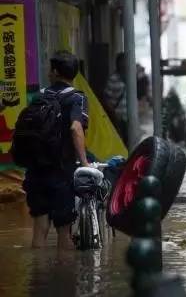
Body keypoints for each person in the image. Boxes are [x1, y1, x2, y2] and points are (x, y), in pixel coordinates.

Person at [22, 51, 90, 249]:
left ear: (54, 71)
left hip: (35, 170)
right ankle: (64, 277)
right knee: (64, 233)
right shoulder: (77, 98)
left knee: (39, 229)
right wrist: (85, 163)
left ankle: (38, 275)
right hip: (61, 171)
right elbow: (75, 128)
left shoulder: (39, 96)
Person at [103, 53, 128, 146]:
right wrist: (112, 112)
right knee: (120, 142)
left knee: (129, 142)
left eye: (125, 62)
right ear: (118, 63)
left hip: (129, 117)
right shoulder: (113, 78)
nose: (124, 64)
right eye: (122, 62)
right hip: (117, 117)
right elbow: (106, 98)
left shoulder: (131, 77)